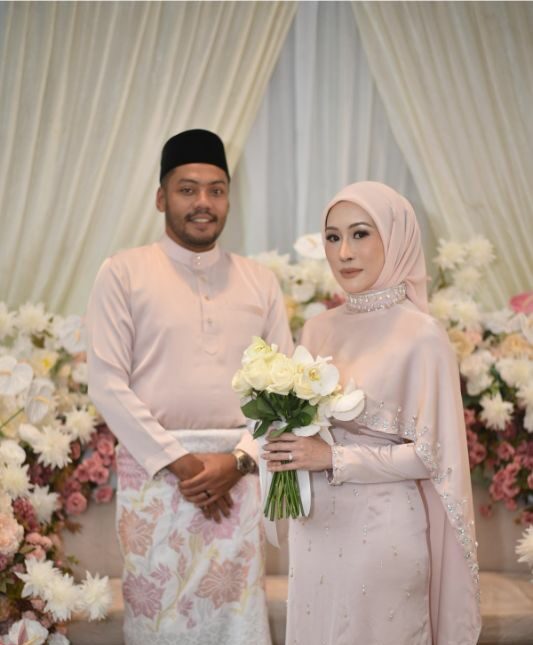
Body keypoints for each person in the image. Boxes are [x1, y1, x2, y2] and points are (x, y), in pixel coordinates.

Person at [85, 129, 293, 645]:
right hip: (157, 476)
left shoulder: (260, 281)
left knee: (236, 623)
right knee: (160, 623)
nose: (203, 202)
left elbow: (285, 390)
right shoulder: (123, 273)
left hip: (237, 478)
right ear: (161, 197)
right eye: (188, 189)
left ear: (228, 200)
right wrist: (181, 464)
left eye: (216, 190)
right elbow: (107, 382)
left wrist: (239, 461)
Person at [262, 181, 481, 644]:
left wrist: (333, 457)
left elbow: (431, 456)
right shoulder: (317, 329)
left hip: (383, 536)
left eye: (360, 233)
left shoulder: (423, 335)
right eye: (333, 237)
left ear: (395, 237)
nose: (344, 252)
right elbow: (306, 426)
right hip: (315, 530)